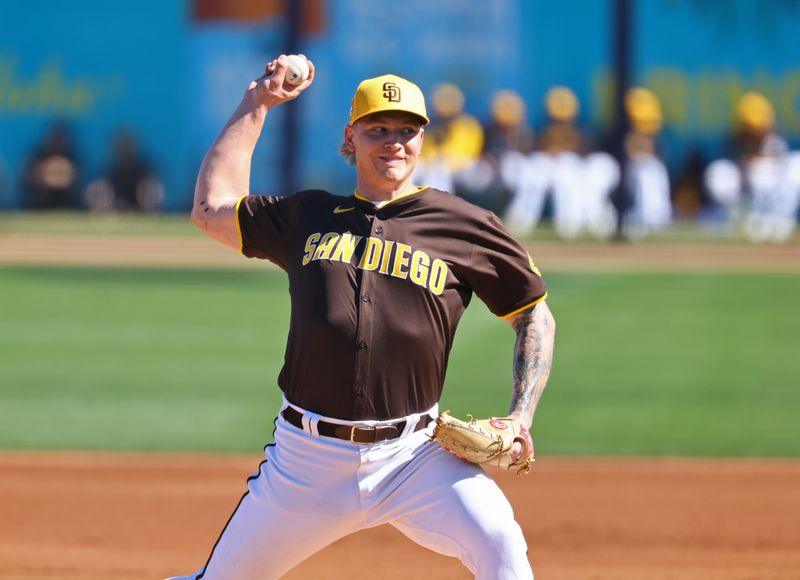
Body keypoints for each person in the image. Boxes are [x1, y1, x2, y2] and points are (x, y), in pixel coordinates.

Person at [169, 54, 556, 580]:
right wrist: (258, 101)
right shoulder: (308, 216)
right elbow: (211, 207)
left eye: (407, 130)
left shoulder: (465, 225)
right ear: (350, 138)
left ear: (423, 140)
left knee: (502, 547)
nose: (393, 141)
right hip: (306, 461)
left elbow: (535, 316)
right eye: (378, 129)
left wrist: (520, 416)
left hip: (414, 457)